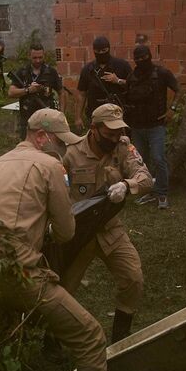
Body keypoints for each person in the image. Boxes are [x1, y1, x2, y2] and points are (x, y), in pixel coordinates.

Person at [0, 108, 113, 371]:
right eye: (60, 143)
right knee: (89, 334)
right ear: (41, 136)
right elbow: (65, 232)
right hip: (17, 270)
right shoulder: (50, 165)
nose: (63, 150)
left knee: (3, 333)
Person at [62, 104, 153, 342]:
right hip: (79, 232)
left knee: (133, 278)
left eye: (118, 132)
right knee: (63, 288)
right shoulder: (71, 153)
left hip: (109, 229)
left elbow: (145, 178)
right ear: (93, 129)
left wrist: (127, 185)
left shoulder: (123, 147)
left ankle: (120, 336)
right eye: (109, 133)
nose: (115, 137)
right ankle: (51, 339)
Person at [126, 44, 180, 210]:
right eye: (138, 59)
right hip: (137, 126)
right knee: (141, 162)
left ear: (149, 56)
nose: (141, 61)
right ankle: (149, 191)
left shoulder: (161, 73)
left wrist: (172, 109)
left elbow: (178, 90)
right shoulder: (133, 76)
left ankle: (162, 193)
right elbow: (128, 96)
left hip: (156, 125)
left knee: (158, 158)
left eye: (144, 58)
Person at [8, 42, 63, 139]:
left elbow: (61, 92)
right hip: (27, 117)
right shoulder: (22, 72)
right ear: (29, 56)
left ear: (44, 55)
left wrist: (61, 114)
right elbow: (11, 92)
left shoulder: (50, 72)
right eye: (34, 58)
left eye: (40, 57)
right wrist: (28, 90)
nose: (38, 60)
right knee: (28, 147)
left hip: (46, 115)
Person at [76, 36, 131, 131]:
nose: (101, 53)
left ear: (108, 49)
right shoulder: (88, 69)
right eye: (98, 51)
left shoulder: (122, 65)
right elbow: (81, 94)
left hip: (117, 115)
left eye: (104, 50)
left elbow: (133, 85)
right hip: (95, 116)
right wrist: (78, 117)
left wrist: (118, 80)